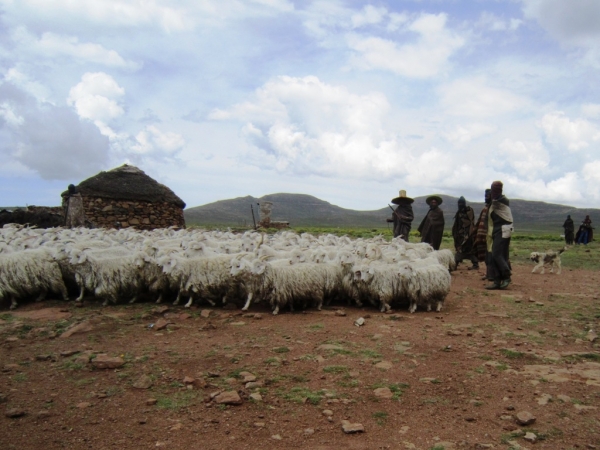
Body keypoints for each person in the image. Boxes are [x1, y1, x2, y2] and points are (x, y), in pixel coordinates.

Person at [486, 181, 513, 290]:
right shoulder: (494, 202)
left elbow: (495, 202)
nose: (494, 192)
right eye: (493, 190)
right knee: (495, 254)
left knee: (497, 254)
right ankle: (497, 280)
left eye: (496, 190)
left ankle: (506, 276)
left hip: (504, 229)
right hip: (497, 230)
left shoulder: (502, 200)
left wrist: (490, 197)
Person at [452, 196, 478, 270]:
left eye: (461, 203)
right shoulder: (459, 212)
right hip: (460, 235)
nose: (460, 204)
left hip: (468, 235)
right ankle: (456, 264)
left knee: (466, 250)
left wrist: (466, 233)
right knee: (460, 249)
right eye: (459, 203)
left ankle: (455, 264)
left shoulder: (469, 210)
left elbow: (470, 222)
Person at [474, 189, 492, 279]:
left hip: (490, 236)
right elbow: (479, 221)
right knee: (486, 256)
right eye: (485, 196)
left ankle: (493, 274)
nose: (486, 198)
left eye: (487, 196)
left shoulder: (493, 208)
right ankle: (488, 273)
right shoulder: (485, 208)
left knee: (491, 255)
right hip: (482, 237)